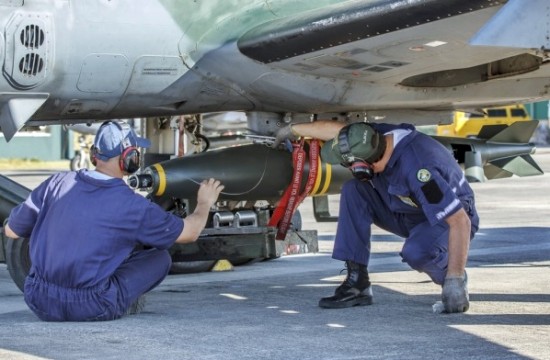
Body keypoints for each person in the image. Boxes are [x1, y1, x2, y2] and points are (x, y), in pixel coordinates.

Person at [3, 121, 224, 321]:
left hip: (40, 300)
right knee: (159, 258)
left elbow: (12, 231)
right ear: (129, 159)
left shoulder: (57, 183)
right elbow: (190, 233)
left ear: (94, 155)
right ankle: (118, 301)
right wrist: (204, 203)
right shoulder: (131, 205)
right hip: (92, 305)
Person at [273, 121, 479, 313]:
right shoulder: (374, 137)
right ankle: (357, 283)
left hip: (446, 218)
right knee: (355, 189)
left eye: (349, 165)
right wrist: (291, 130)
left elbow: (460, 221)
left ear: (364, 166)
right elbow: (341, 131)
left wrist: (455, 278)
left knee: (417, 252)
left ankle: (451, 277)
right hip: (408, 209)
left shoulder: (419, 171)